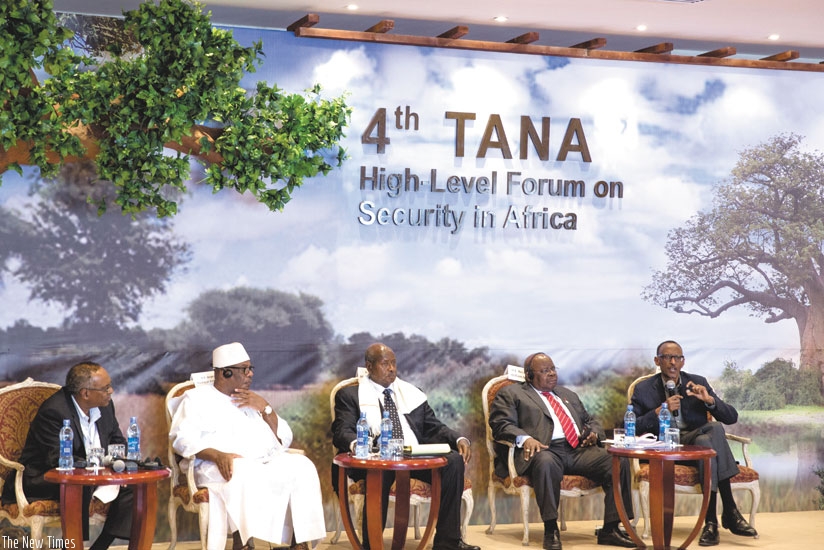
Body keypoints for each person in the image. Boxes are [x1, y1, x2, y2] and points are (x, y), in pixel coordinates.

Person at [169, 342, 325, 550]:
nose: (251, 374)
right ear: (225, 372)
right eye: (245, 369)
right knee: (242, 469)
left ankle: (299, 543)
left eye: (251, 368)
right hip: (215, 466)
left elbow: (284, 438)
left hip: (260, 462)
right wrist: (217, 455)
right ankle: (242, 543)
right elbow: (181, 439)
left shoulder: (249, 399)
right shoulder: (197, 399)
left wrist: (265, 408)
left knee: (302, 465)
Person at [331, 342, 480, 550]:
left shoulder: (411, 393)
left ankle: (448, 543)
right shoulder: (350, 395)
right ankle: (372, 545)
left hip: (413, 456)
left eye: (393, 363)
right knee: (381, 471)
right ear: (369, 366)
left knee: (454, 460)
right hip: (376, 458)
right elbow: (341, 431)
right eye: (385, 364)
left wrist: (458, 439)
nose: (391, 368)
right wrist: (358, 444)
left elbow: (433, 427)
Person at [488, 352, 635, 550]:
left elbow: (590, 420)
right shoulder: (512, 393)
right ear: (529, 376)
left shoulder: (567, 394)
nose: (551, 374)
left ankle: (611, 528)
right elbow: (501, 424)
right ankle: (551, 530)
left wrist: (593, 433)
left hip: (577, 449)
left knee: (618, 461)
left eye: (553, 369)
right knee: (546, 462)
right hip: (543, 449)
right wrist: (526, 438)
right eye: (545, 371)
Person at [630, 340, 758, 546]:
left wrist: (709, 401)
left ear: (683, 361)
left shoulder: (697, 382)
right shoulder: (644, 389)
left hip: (696, 446)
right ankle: (727, 514)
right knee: (709, 442)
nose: (673, 362)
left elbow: (731, 417)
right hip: (665, 449)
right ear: (657, 360)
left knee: (712, 432)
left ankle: (712, 523)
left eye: (678, 358)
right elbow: (631, 426)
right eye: (667, 357)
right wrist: (659, 411)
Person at [0, 361, 133, 550]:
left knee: (134, 487)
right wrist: (95, 471)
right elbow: (56, 458)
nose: (111, 391)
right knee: (79, 484)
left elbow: (118, 442)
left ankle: (100, 546)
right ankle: (72, 546)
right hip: (42, 477)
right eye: (105, 388)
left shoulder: (105, 407)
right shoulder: (54, 411)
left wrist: (116, 467)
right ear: (85, 393)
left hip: (90, 475)